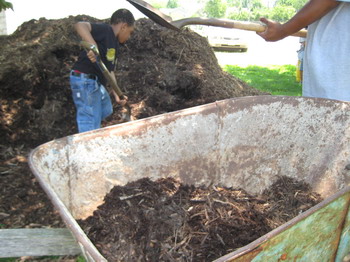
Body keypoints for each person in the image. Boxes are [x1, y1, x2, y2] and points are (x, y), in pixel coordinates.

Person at [257, 0, 350, 101]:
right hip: (337, 65)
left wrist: (283, 30)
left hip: (336, 68)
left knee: (329, 110)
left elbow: (327, 1)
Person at [70, 9, 135, 133]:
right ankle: (88, 141)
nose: (129, 36)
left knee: (106, 109)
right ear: (124, 26)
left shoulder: (115, 45)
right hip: (84, 80)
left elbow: (110, 71)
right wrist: (93, 47)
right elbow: (80, 25)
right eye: (130, 32)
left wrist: (117, 94)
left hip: (95, 83)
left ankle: (93, 127)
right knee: (89, 120)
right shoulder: (106, 30)